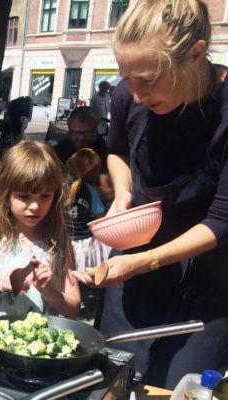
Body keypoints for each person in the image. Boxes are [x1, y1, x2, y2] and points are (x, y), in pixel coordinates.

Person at [76, 0, 228, 390]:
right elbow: (118, 151)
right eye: (125, 78)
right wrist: (123, 192)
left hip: (208, 279)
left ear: (195, 54)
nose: (134, 93)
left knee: (181, 386)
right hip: (135, 262)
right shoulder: (130, 96)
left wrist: (146, 261)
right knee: (113, 378)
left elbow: (222, 221)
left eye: (146, 79)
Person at [0, 140, 81, 318]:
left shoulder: (59, 241)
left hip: (43, 339)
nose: (35, 206)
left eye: (45, 196)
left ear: (56, 195)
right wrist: (1, 285)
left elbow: (73, 309)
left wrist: (47, 290)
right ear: (6, 194)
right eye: (24, 196)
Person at [54, 106, 114, 205]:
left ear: (96, 129)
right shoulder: (61, 148)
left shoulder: (105, 152)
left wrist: (76, 189)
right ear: (69, 129)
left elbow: (109, 193)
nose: (81, 138)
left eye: (87, 133)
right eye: (76, 133)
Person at [65, 148, 110, 273]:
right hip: (86, 245)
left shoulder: (56, 188)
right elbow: (101, 217)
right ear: (92, 173)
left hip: (63, 244)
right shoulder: (90, 191)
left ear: (69, 163)